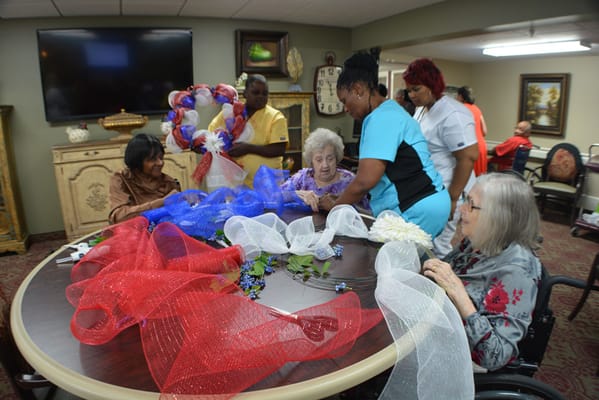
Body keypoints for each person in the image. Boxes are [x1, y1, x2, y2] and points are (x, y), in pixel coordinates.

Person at [319, 52, 450, 238]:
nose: (346, 108)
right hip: (428, 201)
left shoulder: (381, 118)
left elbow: (365, 180)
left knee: (395, 263)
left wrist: (336, 206)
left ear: (358, 89)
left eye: (344, 101)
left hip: (417, 206)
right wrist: (342, 199)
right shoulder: (389, 111)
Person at [422, 172, 542, 371]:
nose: (462, 209)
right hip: (438, 324)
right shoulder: (480, 240)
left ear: (498, 216)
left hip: (461, 359)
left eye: (471, 204)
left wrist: (460, 295)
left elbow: (495, 356)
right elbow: (445, 272)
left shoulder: (517, 271)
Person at [403, 58, 478, 258]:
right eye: (408, 90)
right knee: (426, 241)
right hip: (431, 187)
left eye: (416, 89)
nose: (411, 95)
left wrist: (452, 199)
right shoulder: (422, 110)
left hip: (451, 189)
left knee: (439, 244)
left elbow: (468, 157)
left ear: (432, 85)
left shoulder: (454, 114)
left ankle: (447, 286)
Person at [208, 74, 289, 187]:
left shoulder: (276, 117)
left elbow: (279, 149)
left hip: (267, 186)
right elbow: (210, 135)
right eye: (256, 92)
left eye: (264, 93)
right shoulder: (231, 113)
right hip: (236, 184)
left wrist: (248, 148)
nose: (260, 96)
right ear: (245, 93)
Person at [280, 127, 370, 212]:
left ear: (337, 158)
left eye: (330, 159)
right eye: (319, 160)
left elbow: (365, 212)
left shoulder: (350, 181)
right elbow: (274, 196)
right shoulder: (302, 178)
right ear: (311, 161)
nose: (325, 165)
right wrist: (296, 195)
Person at [109, 133, 180, 224]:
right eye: (153, 159)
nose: (160, 163)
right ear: (137, 161)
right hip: (130, 233)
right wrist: (163, 202)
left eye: (161, 158)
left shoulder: (168, 182)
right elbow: (119, 217)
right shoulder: (122, 179)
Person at [457, 86, 488, 176]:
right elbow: (485, 131)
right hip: (481, 147)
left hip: (468, 148)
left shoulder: (459, 109)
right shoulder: (477, 109)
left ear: (460, 96)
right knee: (480, 180)